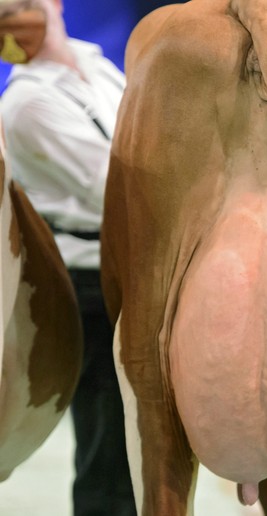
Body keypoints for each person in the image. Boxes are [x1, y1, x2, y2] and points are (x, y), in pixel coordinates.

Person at [0, 1, 136, 515]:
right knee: (109, 440)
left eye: (21, 4)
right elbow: (116, 186)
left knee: (141, 437)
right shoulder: (26, 103)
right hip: (87, 278)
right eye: (2, 13)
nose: (12, 18)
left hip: (134, 263)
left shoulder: (94, 61)